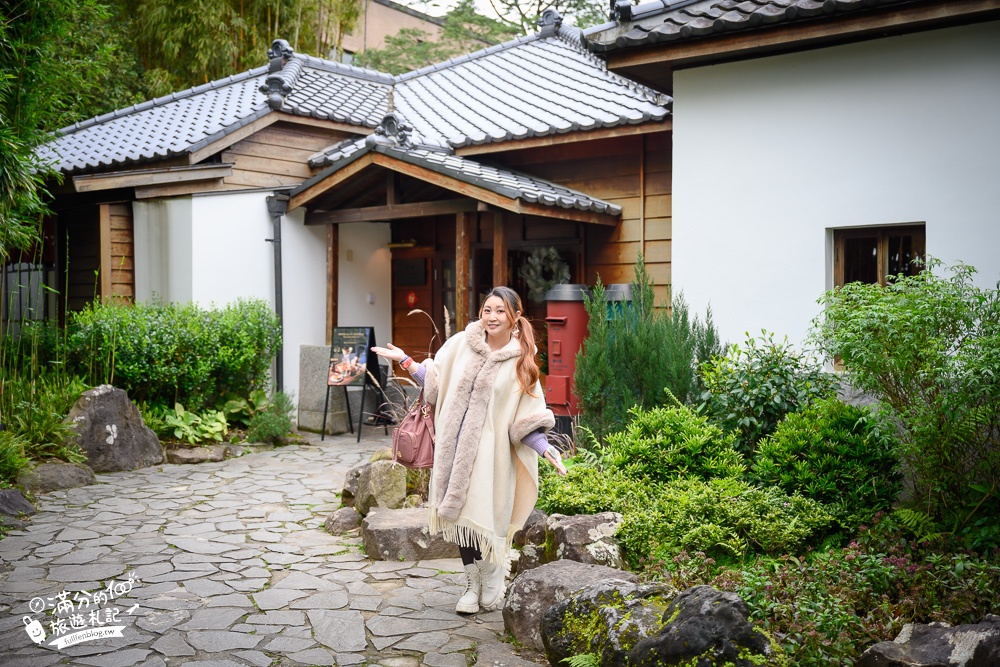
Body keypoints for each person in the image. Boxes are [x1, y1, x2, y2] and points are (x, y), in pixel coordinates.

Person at [372, 286, 567, 614]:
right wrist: (405, 361)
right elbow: (435, 381)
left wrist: (545, 449)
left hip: (491, 458)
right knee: (459, 516)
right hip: (452, 452)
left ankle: (492, 571)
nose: (492, 316)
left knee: (484, 514)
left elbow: (525, 419)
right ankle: (470, 582)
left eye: (500, 311)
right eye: (487, 309)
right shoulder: (461, 344)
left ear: (515, 317)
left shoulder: (522, 362)